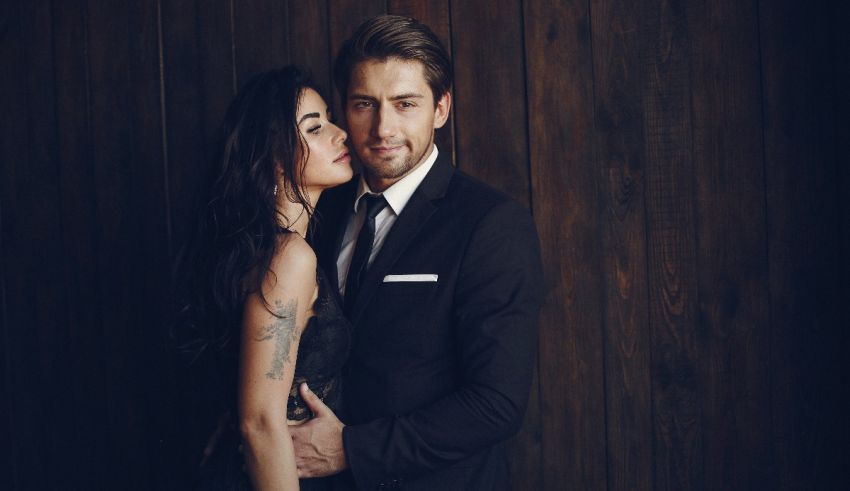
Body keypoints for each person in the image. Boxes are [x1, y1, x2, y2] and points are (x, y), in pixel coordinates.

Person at [290, 15, 544, 491]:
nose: (384, 127)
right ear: (344, 109)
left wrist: (351, 448)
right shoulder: (322, 207)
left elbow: (496, 402)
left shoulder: (490, 224)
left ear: (441, 108)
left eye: (405, 104)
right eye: (365, 103)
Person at [175, 66, 354, 490]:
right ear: (274, 156)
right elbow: (258, 423)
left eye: (329, 118)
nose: (339, 133)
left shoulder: (270, 249)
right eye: (314, 128)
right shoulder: (288, 257)